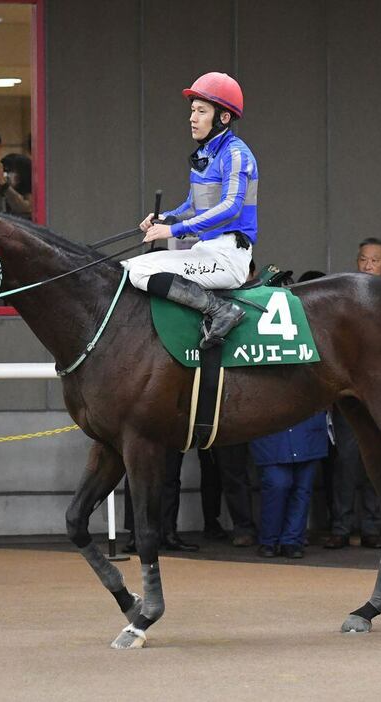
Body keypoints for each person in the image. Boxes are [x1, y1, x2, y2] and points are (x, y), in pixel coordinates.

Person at [122, 72, 257, 349]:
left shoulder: (235, 154)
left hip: (229, 256)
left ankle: (220, 311)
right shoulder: (207, 155)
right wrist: (166, 218)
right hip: (207, 250)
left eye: (201, 111)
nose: (192, 118)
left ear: (224, 117)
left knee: (138, 272)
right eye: (192, 110)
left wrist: (173, 229)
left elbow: (231, 206)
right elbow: (193, 208)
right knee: (127, 268)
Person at [324, 243, 381, 549]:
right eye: (363, 259)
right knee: (346, 463)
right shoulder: (343, 300)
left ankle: (373, 527)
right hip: (348, 393)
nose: (368, 265)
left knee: (378, 461)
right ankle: (341, 526)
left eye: (374, 261)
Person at [252, 411, 329, 559]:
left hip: (308, 430)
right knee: (277, 485)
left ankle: (292, 541)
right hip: (272, 432)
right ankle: (269, 540)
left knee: (302, 490)